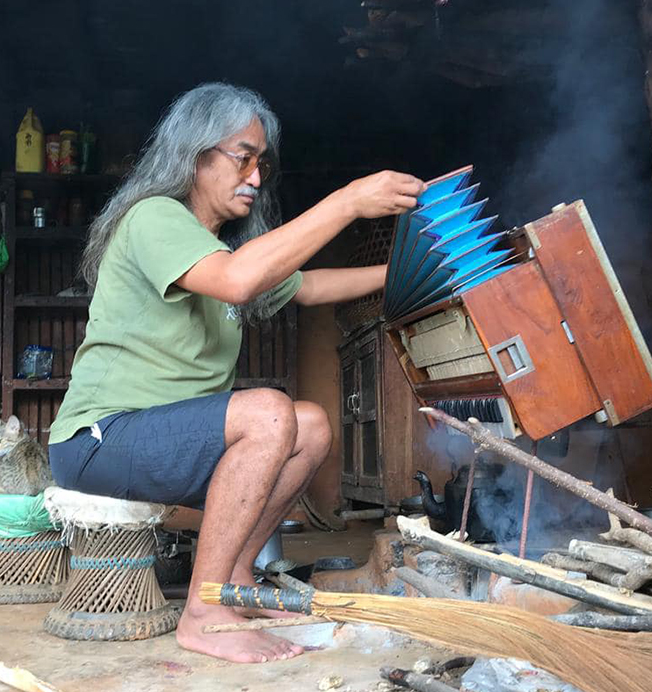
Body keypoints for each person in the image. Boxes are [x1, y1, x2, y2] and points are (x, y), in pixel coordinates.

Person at [48, 82, 424, 664]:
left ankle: (234, 580)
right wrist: (347, 201)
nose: (254, 176)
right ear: (195, 156)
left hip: (167, 443)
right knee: (269, 411)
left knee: (311, 423)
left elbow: (308, 287)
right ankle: (202, 614)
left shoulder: (219, 249)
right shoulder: (155, 218)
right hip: (100, 440)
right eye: (242, 157)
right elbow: (238, 281)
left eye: (261, 164)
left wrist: (411, 272)